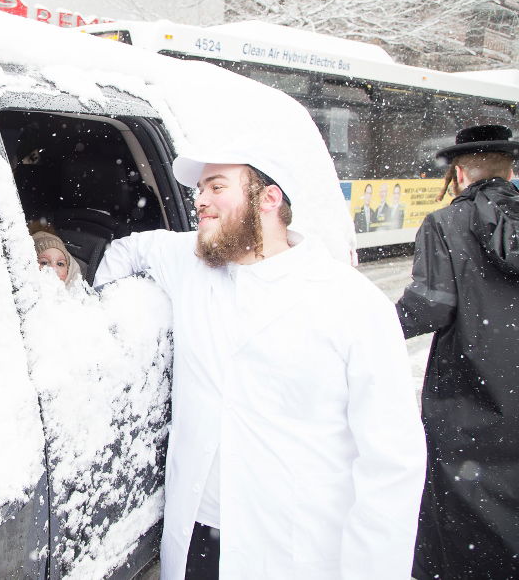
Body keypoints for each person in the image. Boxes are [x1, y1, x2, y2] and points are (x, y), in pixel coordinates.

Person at [94, 148, 426, 580]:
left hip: (295, 554)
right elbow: (127, 252)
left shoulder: (352, 304)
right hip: (197, 539)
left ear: (268, 199)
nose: (200, 200)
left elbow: (391, 461)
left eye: (217, 187)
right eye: (198, 190)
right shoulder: (191, 262)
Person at [396, 124, 519, 580]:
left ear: (461, 173)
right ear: (510, 170)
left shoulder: (447, 223)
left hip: (468, 401)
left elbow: (429, 308)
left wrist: (369, 326)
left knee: (462, 521)